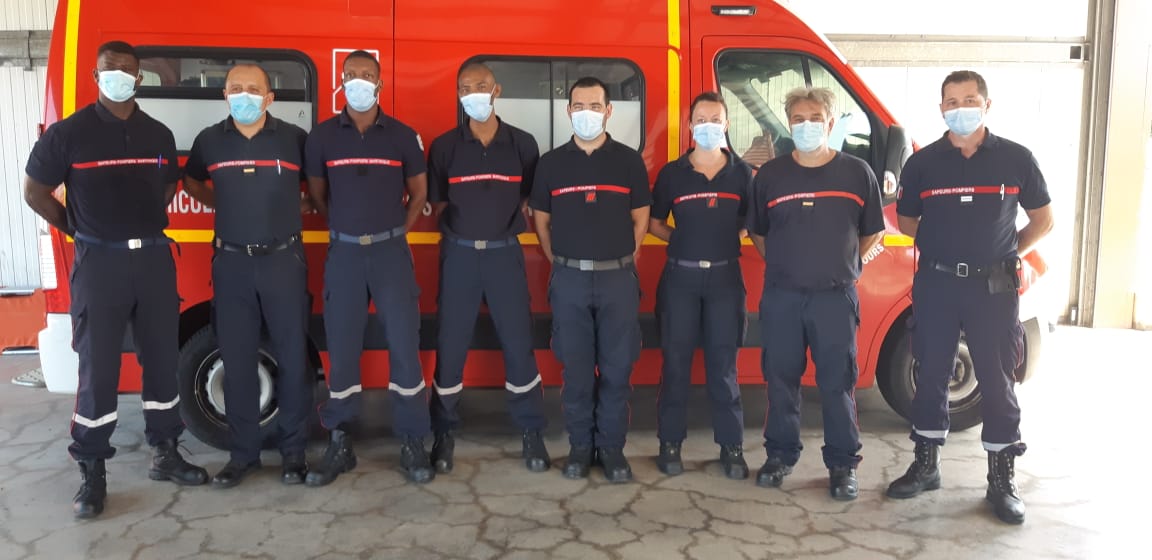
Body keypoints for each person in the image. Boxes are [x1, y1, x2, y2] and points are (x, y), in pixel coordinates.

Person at [24, 41, 208, 519]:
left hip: (151, 260)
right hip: (99, 263)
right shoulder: (68, 134)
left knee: (163, 360)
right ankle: (92, 469)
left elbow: (167, 186)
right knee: (98, 367)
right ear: (96, 75)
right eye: (111, 70)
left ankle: (166, 451)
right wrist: (77, 228)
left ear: (139, 78)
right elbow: (35, 191)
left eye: (128, 70)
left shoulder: (157, 133)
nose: (120, 76)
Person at [888, 70, 1053, 524]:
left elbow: (1043, 221)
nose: (960, 108)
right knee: (932, 372)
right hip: (937, 284)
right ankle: (925, 465)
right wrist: (947, 248)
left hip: (993, 288)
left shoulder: (1017, 159)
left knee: (998, 380)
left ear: (986, 104)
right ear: (941, 108)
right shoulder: (923, 165)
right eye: (952, 101)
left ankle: (1001, 481)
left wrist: (1003, 251)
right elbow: (906, 223)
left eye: (969, 99)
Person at [303, 50, 434, 485]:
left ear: (380, 82)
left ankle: (413, 441)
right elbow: (320, 196)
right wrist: (345, 227)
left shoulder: (401, 136)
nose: (359, 81)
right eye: (351, 75)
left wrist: (397, 231)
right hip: (344, 256)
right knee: (341, 348)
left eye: (367, 75)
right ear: (341, 81)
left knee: (403, 345)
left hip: (390, 255)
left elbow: (418, 193)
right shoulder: (322, 136)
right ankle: (340, 441)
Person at [747, 87, 884, 501]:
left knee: (837, 384)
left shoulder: (857, 173)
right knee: (780, 379)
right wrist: (787, 266)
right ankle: (780, 455)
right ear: (789, 125)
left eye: (814, 118)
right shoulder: (771, 175)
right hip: (782, 297)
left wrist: (844, 266)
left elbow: (873, 229)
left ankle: (843, 465)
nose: (806, 126)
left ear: (829, 122)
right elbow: (758, 231)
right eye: (798, 119)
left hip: (834, 299)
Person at [183, 62, 313, 489]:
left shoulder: (295, 140)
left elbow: (316, 190)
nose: (243, 95)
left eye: (252, 88)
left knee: (294, 359)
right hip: (232, 264)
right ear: (224, 95)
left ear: (269, 97)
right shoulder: (209, 141)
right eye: (234, 88)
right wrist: (227, 203)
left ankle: (294, 455)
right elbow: (193, 184)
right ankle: (244, 457)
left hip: (283, 261)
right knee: (236, 360)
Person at [426, 62, 550, 474]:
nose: (474, 93)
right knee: (451, 345)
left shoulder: (522, 144)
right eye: (465, 87)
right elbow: (439, 204)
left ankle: (531, 432)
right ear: (458, 93)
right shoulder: (444, 147)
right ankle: (443, 435)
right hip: (459, 255)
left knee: (518, 343)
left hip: (504, 255)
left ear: (496, 89)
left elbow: (529, 200)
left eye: (481, 85)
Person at [530, 76, 651, 483]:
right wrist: (564, 264)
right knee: (577, 371)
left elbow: (641, 220)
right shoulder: (551, 164)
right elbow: (542, 224)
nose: (587, 114)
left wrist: (619, 259)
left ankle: (612, 450)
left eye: (595, 106)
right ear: (568, 112)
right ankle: (581, 448)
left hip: (618, 280)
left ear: (608, 111)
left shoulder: (629, 162)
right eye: (579, 107)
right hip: (569, 280)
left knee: (617, 370)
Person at [649, 92, 751, 479]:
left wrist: (727, 236)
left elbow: (750, 221)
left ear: (726, 124)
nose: (708, 125)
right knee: (675, 364)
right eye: (701, 119)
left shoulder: (742, 174)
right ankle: (670, 443)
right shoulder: (672, 174)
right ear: (691, 126)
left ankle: (732, 446)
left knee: (723, 366)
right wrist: (681, 239)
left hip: (726, 278)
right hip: (681, 279)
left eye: (716, 118)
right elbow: (656, 221)